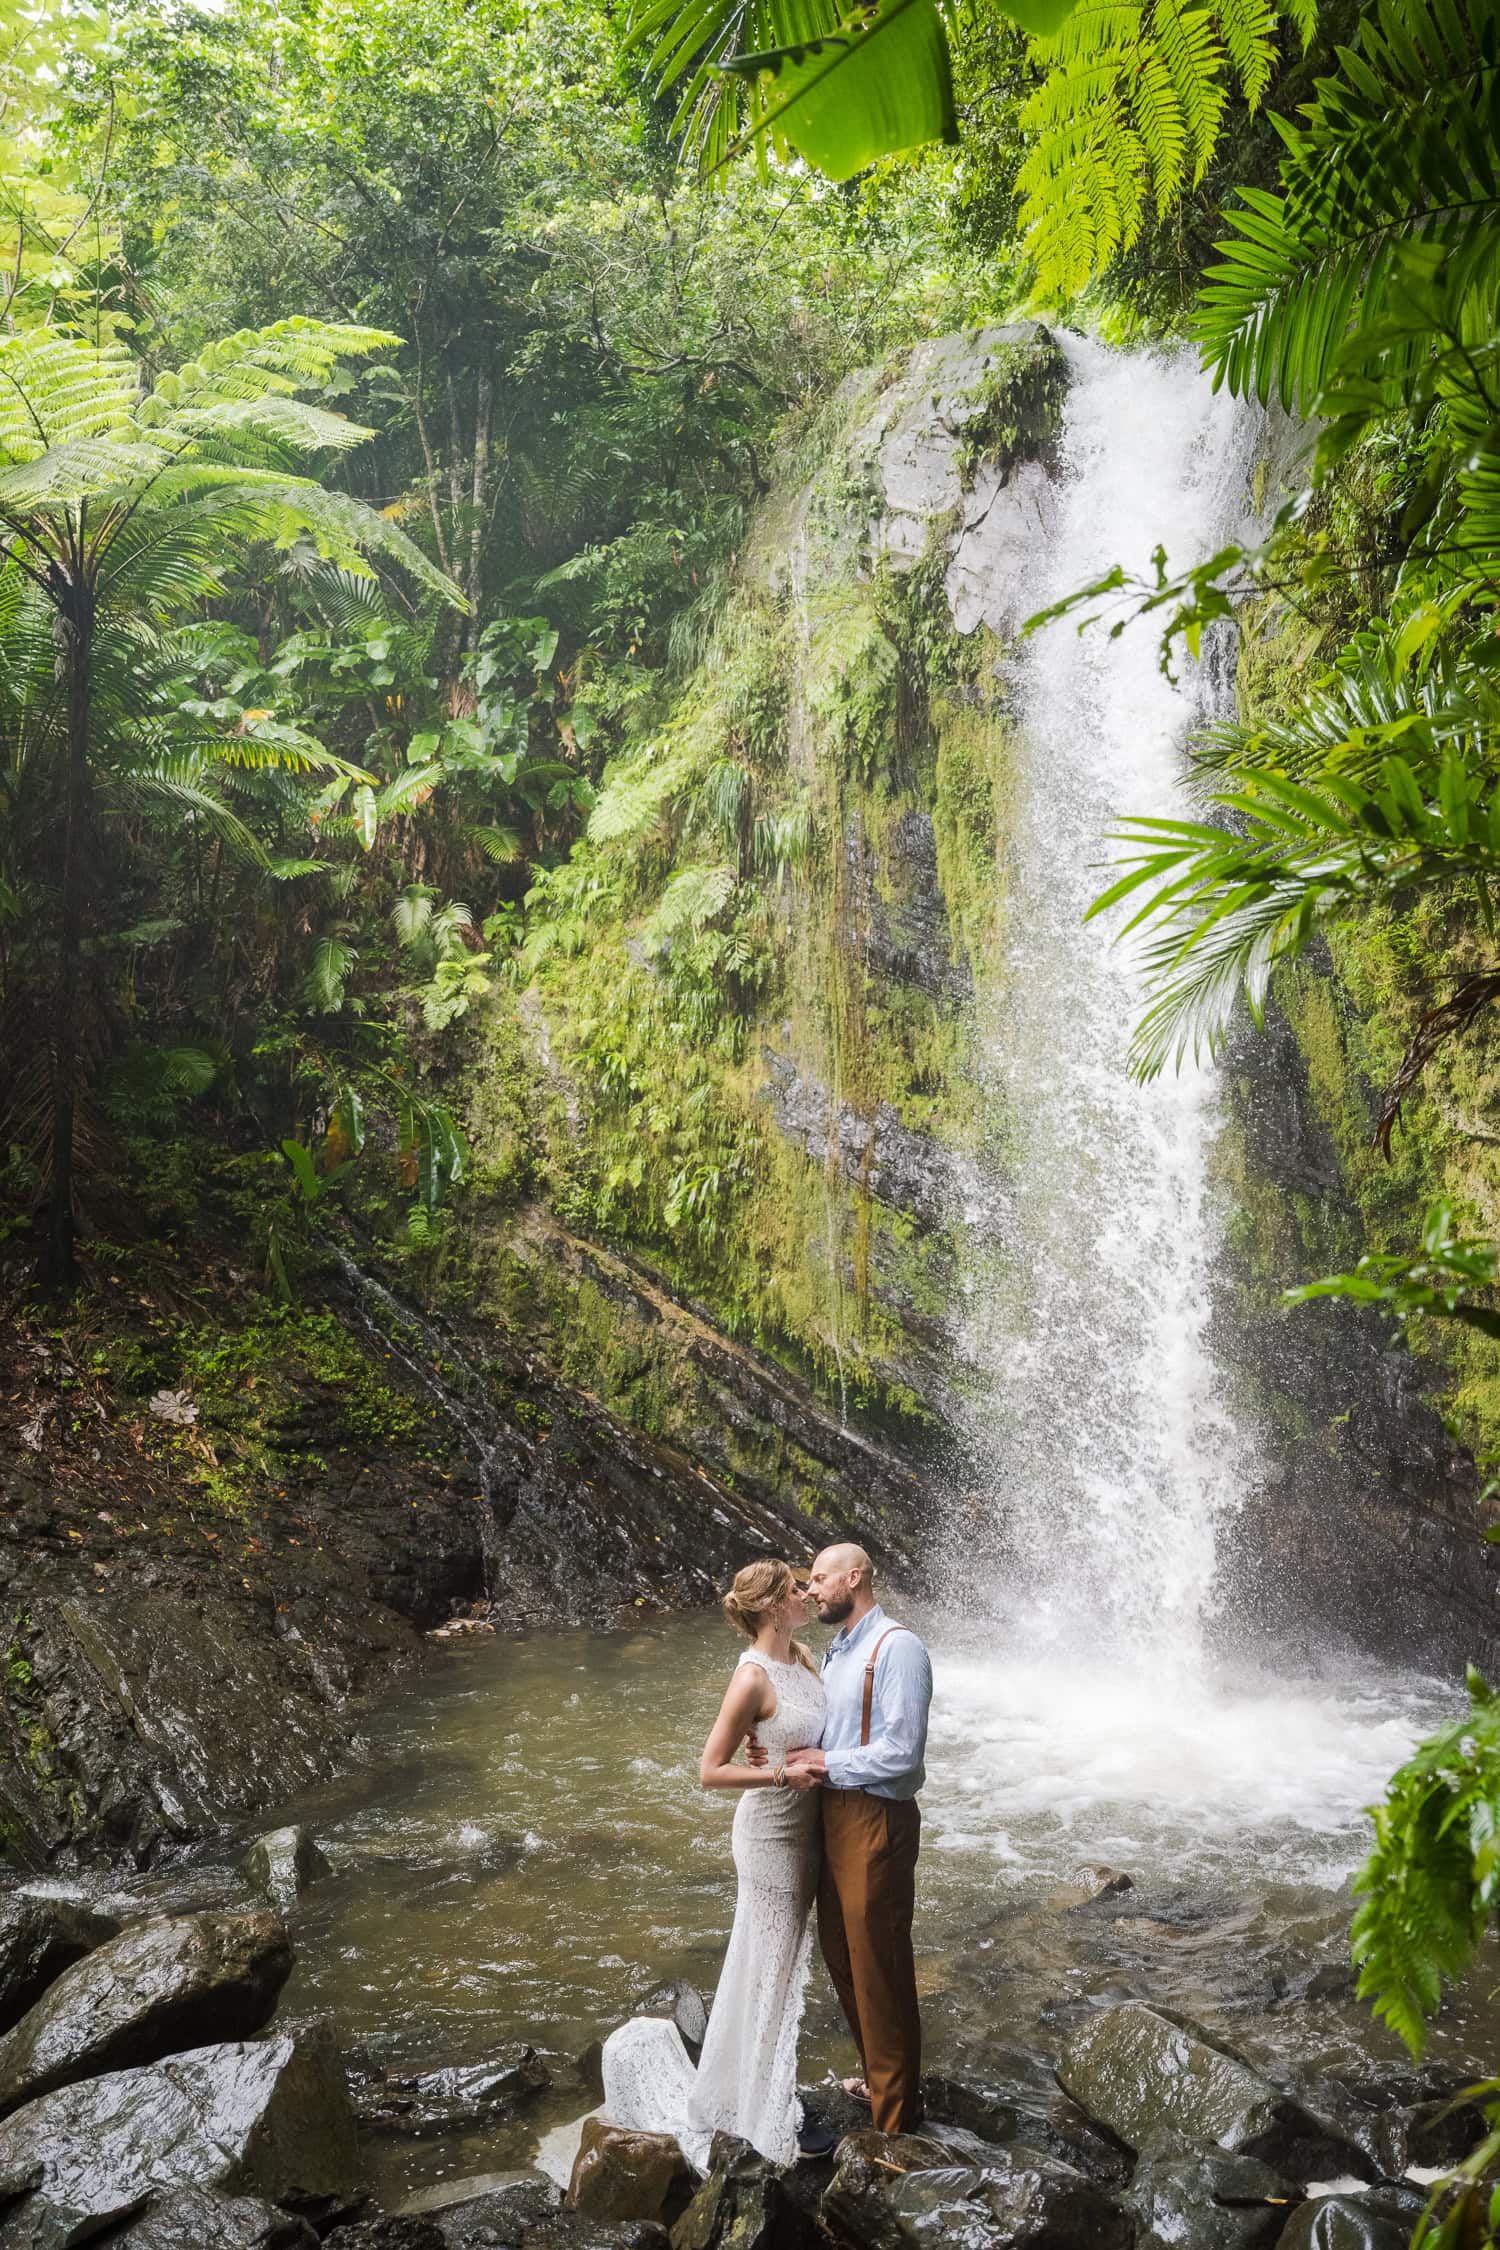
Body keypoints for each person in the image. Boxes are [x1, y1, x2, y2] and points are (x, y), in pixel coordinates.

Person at [597, 1558, 831, 2169]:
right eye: (798, 1588)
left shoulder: (802, 1657)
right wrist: (779, 1770)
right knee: (770, 1973)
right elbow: (709, 1770)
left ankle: (751, 2092)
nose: (808, 1594)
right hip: (769, 1836)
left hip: (807, 1835)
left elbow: (809, 1735)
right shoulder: (752, 1676)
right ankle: (765, 2115)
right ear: (775, 1605)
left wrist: (804, 1755)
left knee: (770, 1970)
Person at [783, 1542, 932, 2137]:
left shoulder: (897, 1647)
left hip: (876, 1818)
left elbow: (903, 1752)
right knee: (842, 1953)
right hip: (834, 1813)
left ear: (855, 1576)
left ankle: (896, 2124)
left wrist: (825, 1763)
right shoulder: (839, 1649)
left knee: (880, 1964)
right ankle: (879, 2079)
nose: (811, 1589)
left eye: (819, 1578)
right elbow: (833, 1730)